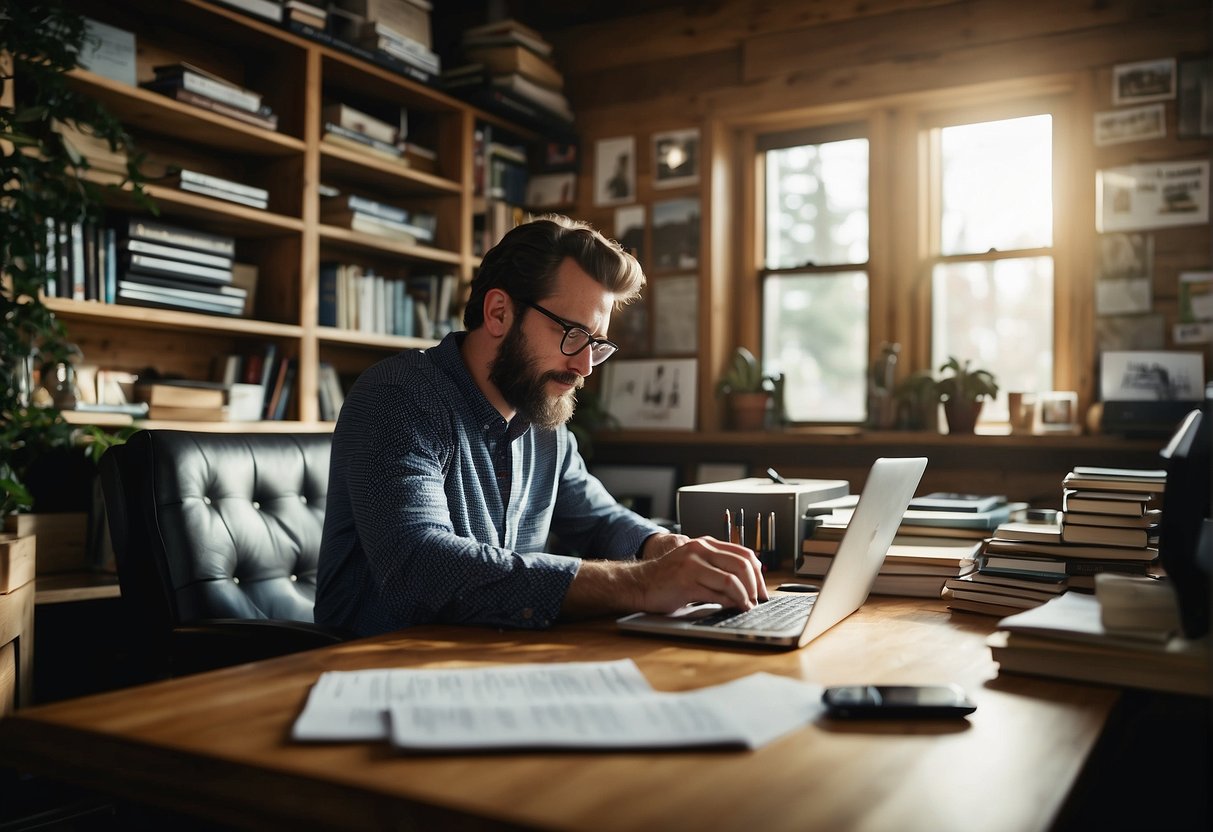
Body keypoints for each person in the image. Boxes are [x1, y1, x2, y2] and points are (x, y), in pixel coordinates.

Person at [316, 215, 766, 637]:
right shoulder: (398, 396)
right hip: (374, 672)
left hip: (489, 662)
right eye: (571, 333)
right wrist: (640, 584)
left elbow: (599, 519)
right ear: (498, 313)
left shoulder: (541, 416)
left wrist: (661, 546)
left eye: (596, 343)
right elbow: (422, 567)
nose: (586, 366)